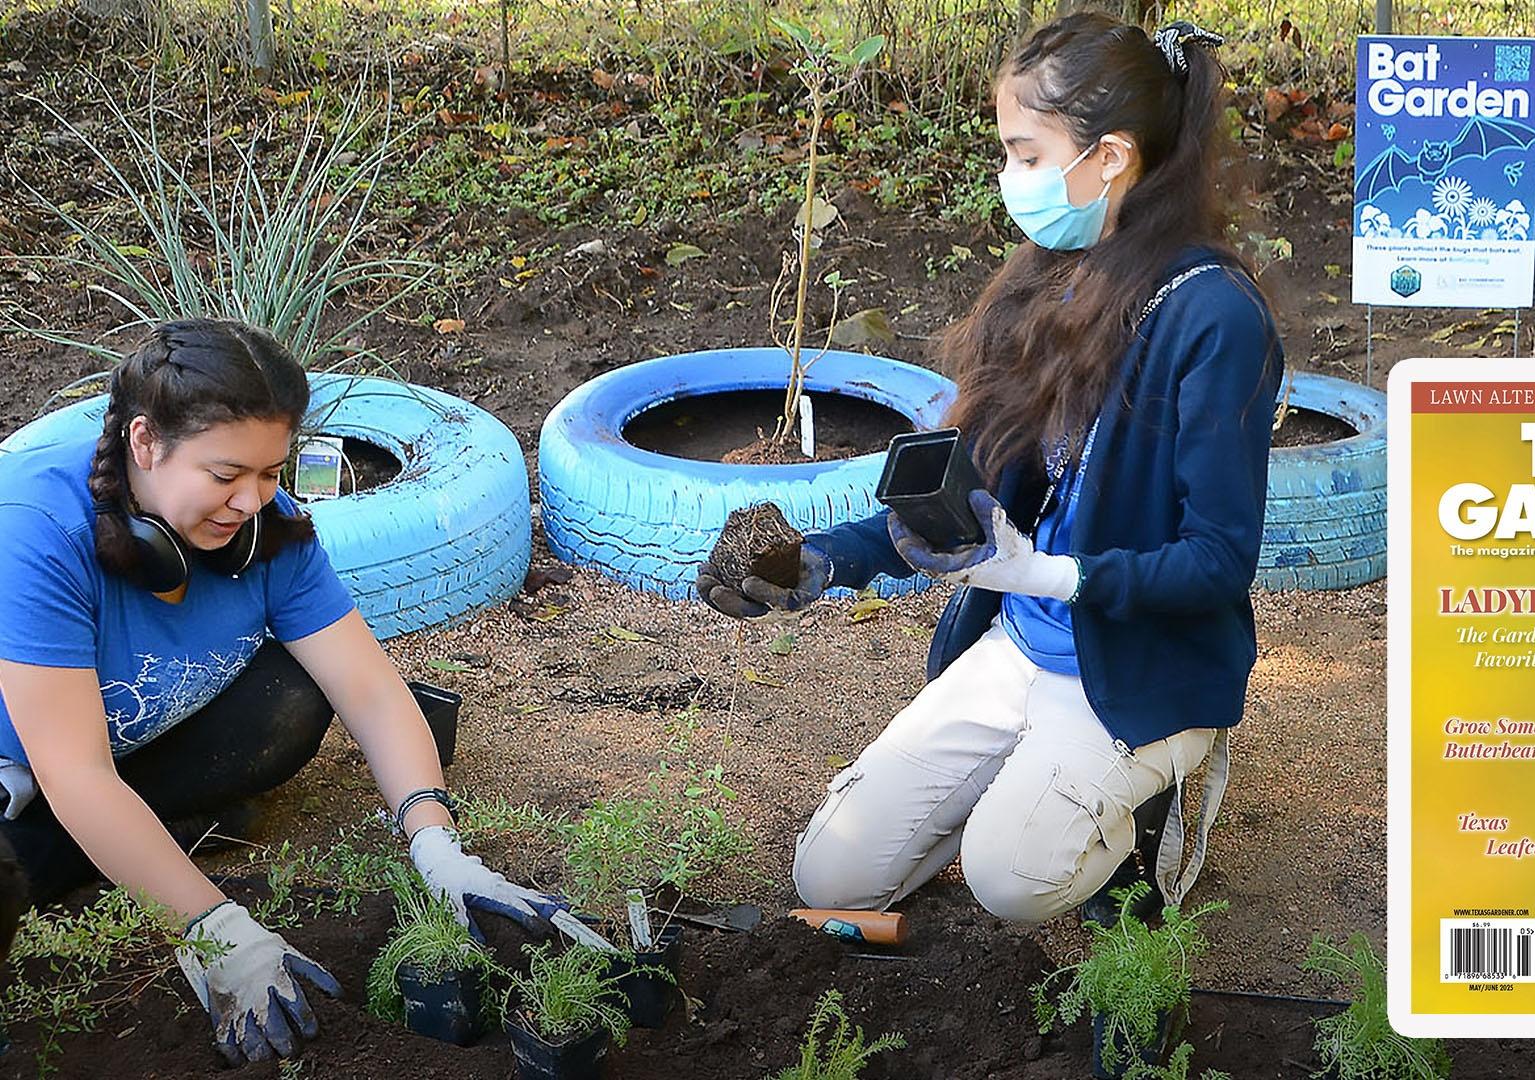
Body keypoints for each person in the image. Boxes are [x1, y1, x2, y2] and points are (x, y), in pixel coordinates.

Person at [698, 14, 1282, 926]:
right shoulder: (1054, 280)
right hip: (1020, 638)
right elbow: (964, 484)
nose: (1010, 178)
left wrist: (1046, 572)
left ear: (1110, 157)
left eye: (1025, 151)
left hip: (1138, 663)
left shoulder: (1215, 318)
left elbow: (1218, 561)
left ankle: (1160, 798)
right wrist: (816, 563)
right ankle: (1037, 791)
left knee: (1012, 880)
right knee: (832, 880)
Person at [0, 319, 563, 1065]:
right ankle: (87, 854)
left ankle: (120, 846)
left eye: (271, 472)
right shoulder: (35, 529)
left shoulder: (271, 529)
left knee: (292, 700)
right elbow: (73, 770)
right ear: (145, 443)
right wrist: (210, 926)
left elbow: (369, 690)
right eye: (225, 474)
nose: (251, 500)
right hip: (31, 775)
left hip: (117, 748)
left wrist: (437, 844)